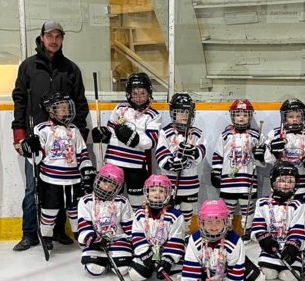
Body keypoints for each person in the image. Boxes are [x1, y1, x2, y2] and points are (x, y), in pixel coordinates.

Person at [11, 20, 89, 251]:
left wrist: (78, 136)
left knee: (64, 186)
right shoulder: (28, 66)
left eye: (58, 36)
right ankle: (29, 234)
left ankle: (58, 231)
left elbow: (81, 104)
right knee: (33, 187)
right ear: (42, 37)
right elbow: (20, 101)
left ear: (62, 39)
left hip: (64, 142)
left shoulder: (71, 69)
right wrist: (19, 135)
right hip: (37, 139)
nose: (53, 40)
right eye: (49, 36)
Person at [19, 92, 94, 252]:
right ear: (50, 111)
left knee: (75, 209)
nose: (66, 112)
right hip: (51, 180)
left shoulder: (74, 130)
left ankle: (79, 235)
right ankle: (46, 236)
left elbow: (82, 153)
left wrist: (86, 169)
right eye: (62, 109)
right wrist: (29, 150)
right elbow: (37, 158)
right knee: (49, 210)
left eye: (67, 108)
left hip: (73, 180)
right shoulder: (41, 129)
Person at [89, 72, 162, 207]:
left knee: (138, 203)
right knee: (112, 201)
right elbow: (111, 129)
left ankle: (137, 227)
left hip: (136, 166)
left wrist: (132, 137)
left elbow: (150, 143)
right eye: (135, 93)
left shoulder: (153, 115)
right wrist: (103, 134)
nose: (139, 97)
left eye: (142, 93)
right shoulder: (121, 108)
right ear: (129, 93)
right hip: (114, 162)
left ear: (149, 93)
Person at [180, 199, 265, 281]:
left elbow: (237, 265)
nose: (214, 226)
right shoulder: (194, 239)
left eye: (218, 221)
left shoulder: (234, 240)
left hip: (229, 267)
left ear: (226, 222)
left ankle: (251, 269)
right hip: (207, 269)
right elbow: (191, 262)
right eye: (209, 221)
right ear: (201, 222)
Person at [211, 99, 263, 241]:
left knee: (248, 208)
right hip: (229, 181)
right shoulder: (225, 135)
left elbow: (263, 161)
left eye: (245, 114)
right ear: (232, 116)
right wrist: (216, 171)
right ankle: (226, 229)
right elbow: (218, 154)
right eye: (238, 114)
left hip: (247, 181)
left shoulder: (256, 135)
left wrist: (261, 155)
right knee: (227, 208)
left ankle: (247, 230)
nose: (241, 117)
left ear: (250, 116)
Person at [249, 160, 305, 281]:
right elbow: (258, 225)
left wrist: (292, 247)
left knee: (290, 277)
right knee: (268, 274)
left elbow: (298, 228)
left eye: (290, 181)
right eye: (282, 180)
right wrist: (265, 240)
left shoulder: (298, 204)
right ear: (273, 182)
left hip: (289, 250)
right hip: (270, 250)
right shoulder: (262, 202)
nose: (286, 185)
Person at [154, 92, 206, 225]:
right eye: (180, 111)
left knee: (187, 209)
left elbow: (201, 152)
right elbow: (160, 153)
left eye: (187, 112)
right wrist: (171, 162)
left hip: (189, 183)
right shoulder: (165, 132)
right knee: (170, 210)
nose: (184, 115)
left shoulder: (197, 134)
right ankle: (172, 234)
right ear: (173, 113)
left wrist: (193, 152)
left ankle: (186, 233)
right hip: (170, 182)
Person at [75, 164, 134, 277]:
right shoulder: (85, 201)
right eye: (105, 182)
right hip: (96, 240)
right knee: (95, 269)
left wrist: (136, 244)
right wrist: (92, 238)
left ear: (118, 187)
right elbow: (84, 225)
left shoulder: (122, 201)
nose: (107, 187)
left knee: (122, 269)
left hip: (117, 239)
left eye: (112, 185)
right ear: (98, 180)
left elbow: (129, 225)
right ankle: (103, 260)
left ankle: (112, 259)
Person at [128, 174, 187, 281]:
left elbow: (176, 239)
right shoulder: (139, 213)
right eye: (153, 190)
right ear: (147, 192)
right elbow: (137, 236)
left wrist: (168, 259)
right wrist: (146, 255)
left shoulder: (176, 215)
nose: (157, 194)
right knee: (135, 275)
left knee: (178, 277)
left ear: (168, 194)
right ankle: (150, 266)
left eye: (161, 191)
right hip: (148, 251)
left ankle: (164, 265)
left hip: (166, 252)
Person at [260, 97, 305, 204]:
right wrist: (273, 151)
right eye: (291, 116)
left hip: (302, 183)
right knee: (280, 212)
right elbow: (267, 159)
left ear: (303, 117)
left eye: (298, 116)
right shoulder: (275, 134)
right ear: (284, 118)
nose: (295, 119)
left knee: (299, 211)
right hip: (280, 183)